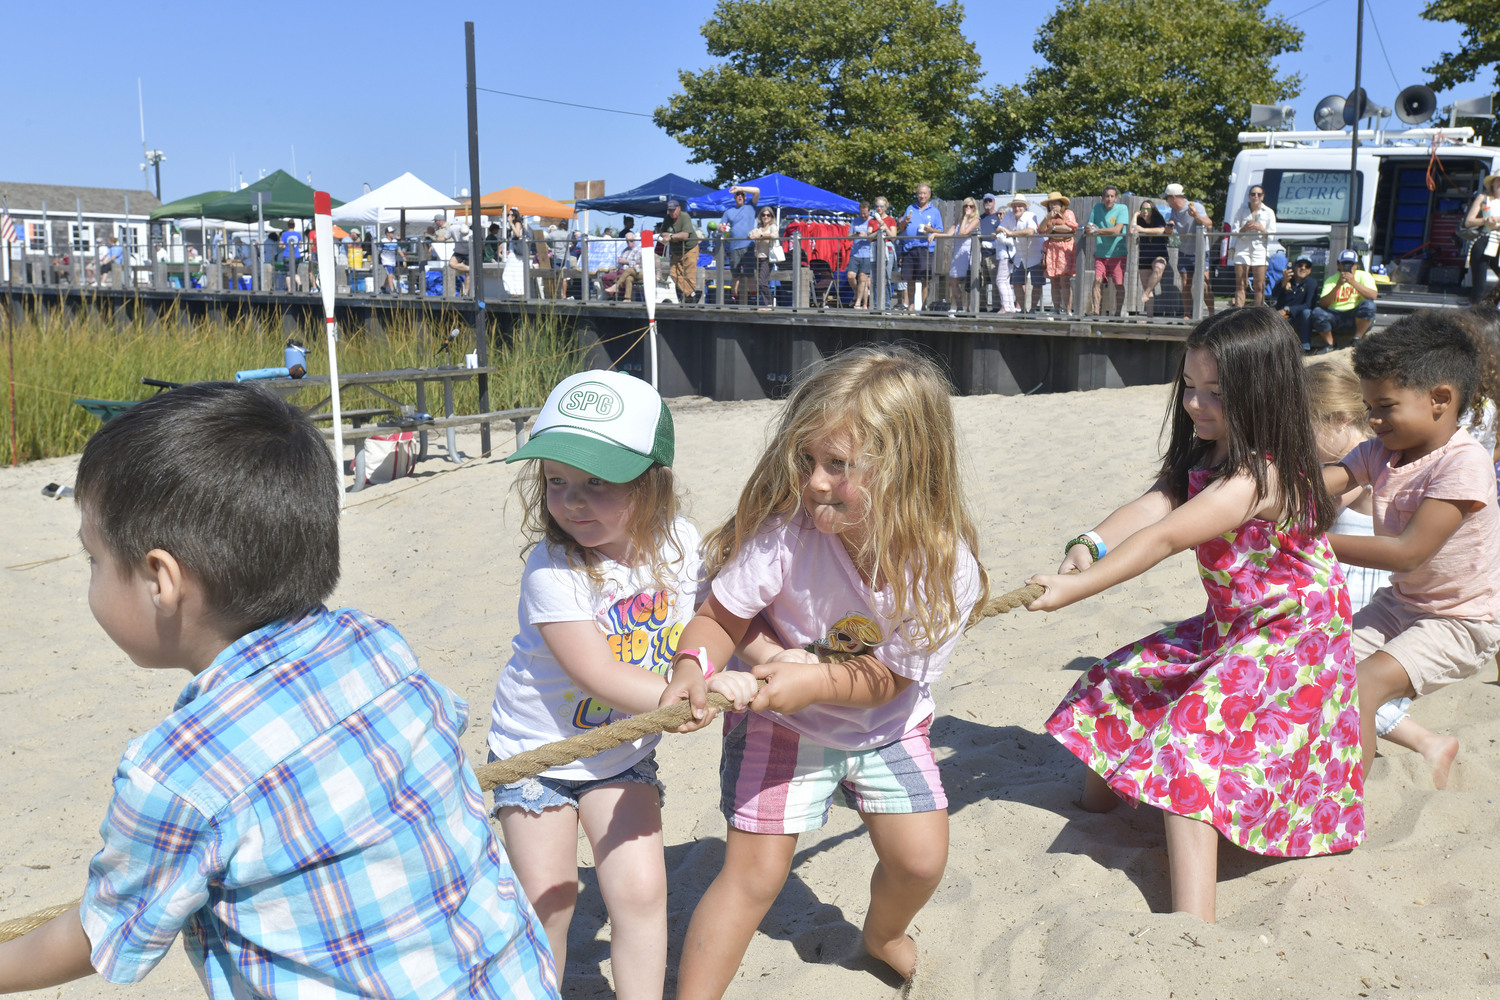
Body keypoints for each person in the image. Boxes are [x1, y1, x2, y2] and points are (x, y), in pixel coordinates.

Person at [0, 383, 558, 998]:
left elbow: (100, 932)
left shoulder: (179, 775)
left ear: (161, 579)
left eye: (94, 559)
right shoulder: (375, 646)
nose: (92, 578)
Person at [661, 345, 986, 996]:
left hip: (884, 726)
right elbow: (720, 617)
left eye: (838, 466)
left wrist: (811, 678)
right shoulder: (789, 535)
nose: (813, 482)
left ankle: (883, 935)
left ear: (907, 470)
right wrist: (692, 667)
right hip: (781, 728)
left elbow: (891, 678)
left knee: (920, 861)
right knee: (752, 877)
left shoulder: (945, 569)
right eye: (809, 460)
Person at [1029, 307, 1363, 923]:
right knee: (1115, 682)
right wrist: (1089, 544)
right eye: (1189, 386)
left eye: (1215, 392)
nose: (1194, 403)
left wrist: (1076, 591)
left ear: (1262, 395)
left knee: (1191, 751)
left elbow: (1166, 538)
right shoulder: (1210, 454)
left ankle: (1192, 924)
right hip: (1235, 625)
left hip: (1296, 637)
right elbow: (1154, 505)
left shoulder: (1258, 476)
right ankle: (1099, 815)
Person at [489, 371, 753, 997]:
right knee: (550, 902)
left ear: (652, 482)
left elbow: (715, 622)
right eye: (557, 482)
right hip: (538, 754)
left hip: (622, 754)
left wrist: (748, 666)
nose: (572, 501)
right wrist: (683, 696)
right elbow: (595, 672)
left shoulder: (681, 545)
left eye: (597, 483)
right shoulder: (552, 568)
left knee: (639, 892)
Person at [1324, 312, 1500, 790]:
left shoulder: (1465, 464)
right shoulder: (1383, 450)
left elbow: (1407, 553)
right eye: (1367, 407)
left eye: (1384, 406)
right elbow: (1326, 483)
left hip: (1460, 620)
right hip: (1400, 605)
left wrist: (1309, 540)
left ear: (1440, 399)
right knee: (1320, 663)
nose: (1373, 420)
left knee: (1362, 686)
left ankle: (1342, 808)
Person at [1305, 358, 1457, 785]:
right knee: (1339, 682)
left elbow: (1312, 519)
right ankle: (1425, 743)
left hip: (1359, 592)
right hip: (1359, 584)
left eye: (1304, 428)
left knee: (1339, 678)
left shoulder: (1361, 465)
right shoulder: (1379, 454)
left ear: (1336, 419)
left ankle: (1423, 743)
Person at [1163, 183, 1215, 317]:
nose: (1166, 201)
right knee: (1186, 284)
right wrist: (1170, 226)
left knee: (1204, 284)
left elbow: (1209, 224)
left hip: (1201, 251)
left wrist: (1196, 216)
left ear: (1173, 197)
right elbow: (1173, 220)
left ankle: (1212, 314)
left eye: (1167, 198)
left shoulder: (1196, 207)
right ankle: (1187, 314)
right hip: (1184, 251)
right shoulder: (1174, 210)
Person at [1311, 249, 1378, 349]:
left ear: (1355, 265)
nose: (1347, 266)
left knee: (1369, 305)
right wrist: (1338, 285)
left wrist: (1353, 282)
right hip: (1336, 317)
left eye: (1350, 263)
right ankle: (1330, 344)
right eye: (1344, 263)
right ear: (1338, 265)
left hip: (1356, 317)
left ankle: (1357, 338)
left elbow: (1373, 296)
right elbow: (1324, 303)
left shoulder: (1364, 276)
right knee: (1317, 312)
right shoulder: (1331, 280)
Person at [896, 182, 943, 310]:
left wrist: (930, 229)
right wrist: (904, 222)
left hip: (925, 249)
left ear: (929, 195)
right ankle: (911, 305)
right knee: (909, 280)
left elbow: (940, 231)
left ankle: (922, 306)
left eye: (924, 193)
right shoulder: (910, 208)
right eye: (919, 193)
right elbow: (901, 229)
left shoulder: (934, 211)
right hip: (909, 248)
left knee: (924, 279)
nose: (921, 196)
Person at [1084, 185, 1129, 316]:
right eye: (1107, 196)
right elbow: (1090, 225)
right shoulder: (1097, 207)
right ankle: (1096, 312)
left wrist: (1096, 230)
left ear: (1116, 198)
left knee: (1118, 284)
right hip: (1100, 254)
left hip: (1118, 254)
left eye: (1112, 196)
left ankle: (1118, 313)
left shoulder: (1122, 208)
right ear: (1103, 198)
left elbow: (1117, 230)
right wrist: (1089, 229)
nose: (1109, 199)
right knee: (1097, 280)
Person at [1230, 185, 1277, 307]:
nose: (1256, 197)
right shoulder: (1241, 211)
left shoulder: (1268, 212)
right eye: (1253, 194)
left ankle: (1257, 315)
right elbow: (1234, 232)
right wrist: (1244, 228)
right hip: (1242, 248)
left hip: (1260, 249)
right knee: (1240, 284)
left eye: (1259, 194)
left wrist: (1261, 228)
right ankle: (1238, 313)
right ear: (1249, 196)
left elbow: (1272, 236)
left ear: (1263, 196)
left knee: (1259, 285)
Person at [999, 193, 1041, 312]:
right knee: (1016, 282)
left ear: (1025, 207)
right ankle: (1023, 310)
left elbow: (1030, 231)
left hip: (1036, 253)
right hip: (1020, 254)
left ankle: (1032, 310)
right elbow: (999, 228)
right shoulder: (1008, 216)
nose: (1017, 208)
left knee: (1037, 284)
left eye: (1020, 206)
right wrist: (1003, 229)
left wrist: (1010, 233)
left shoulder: (1031, 215)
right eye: (1015, 206)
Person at [1037, 191, 1077, 315]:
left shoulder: (1068, 213)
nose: (1053, 206)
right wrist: (1048, 218)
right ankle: (1056, 310)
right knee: (1054, 281)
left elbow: (1071, 228)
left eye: (1055, 203)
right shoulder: (1048, 216)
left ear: (1061, 204)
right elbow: (1041, 230)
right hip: (1052, 248)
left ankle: (1068, 310)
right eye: (1051, 203)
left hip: (1065, 248)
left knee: (1064, 280)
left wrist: (1053, 228)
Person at [1463, 173, 1500, 303]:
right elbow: (1469, 222)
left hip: (1498, 241)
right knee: (1479, 285)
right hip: (1485, 240)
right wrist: (1485, 220)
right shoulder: (1483, 198)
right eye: (1498, 181)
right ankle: (1476, 312)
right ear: (1493, 184)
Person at [721, 184, 761, 304]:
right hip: (734, 247)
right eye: (737, 194)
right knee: (735, 276)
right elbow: (721, 225)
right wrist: (721, 228)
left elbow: (757, 190)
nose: (739, 196)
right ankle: (734, 299)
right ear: (734, 197)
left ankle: (753, 299)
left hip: (748, 247)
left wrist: (740, 188)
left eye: (741, 195)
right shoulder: (729, 212)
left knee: (750, 275)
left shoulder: (750, 206)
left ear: (744, 197)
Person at [1131, 199, 1169, 316]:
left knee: (1158, 268)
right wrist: (1135, 214)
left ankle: (1146, 293)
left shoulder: (1157, 218)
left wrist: (1142, 230)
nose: (1145, 211)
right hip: (1144, 255)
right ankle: (1150, 316)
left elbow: (1162, 230)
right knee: (1147, 285)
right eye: (1143, 209)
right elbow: (1132, 230)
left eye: (1148, 209)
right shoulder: (1139, 219)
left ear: (1152, 210)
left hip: (1159, 254)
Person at [656, 199, 700, 303]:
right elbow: (662, 232)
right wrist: (669, 236)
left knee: (689, 275)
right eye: (670, 210)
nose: (672, 212)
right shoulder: (667, 218)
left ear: (679, 208)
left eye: (674, 210)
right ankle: (692, 294)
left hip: (690, 249)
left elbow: (685, 235)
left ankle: (690, 297)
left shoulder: (685, 217)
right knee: (673, 273)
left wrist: (671, 237)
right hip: (676, 252)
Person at [1274, 254, 1318, 351]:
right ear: (1294, 267)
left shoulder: (1311, 283)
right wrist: (1284, 282)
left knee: (1307, 313)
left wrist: (1288, 310)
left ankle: (1305, 347)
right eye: (1300, 265)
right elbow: (1274, 294)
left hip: (1299, 319)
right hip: (1282, 318)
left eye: (1307, 266)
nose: (1303, 268)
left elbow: (1308, 305)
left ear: (1310, 270)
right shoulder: (1284, 280)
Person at [944, 196, 982, 308]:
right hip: (958, 252)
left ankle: (970, 308)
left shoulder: (976, 220)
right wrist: (934, 233)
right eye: (966, 206)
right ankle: (960, 306)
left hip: (969, 253)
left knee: (970, 282)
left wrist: (966, 217)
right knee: (953, 280)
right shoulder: (959, 220)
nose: (968, 208)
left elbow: (962, 232)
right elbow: (948, 234)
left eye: (971, 206)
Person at [869, 197, 899, 307]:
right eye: (877, 206)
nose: (879, 208)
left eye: (881, 206)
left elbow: (893, 237)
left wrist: (885, 228)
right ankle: (876, 305)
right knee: (876, 279)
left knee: (886, 278)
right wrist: (877, 232)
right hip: (875, 250)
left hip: (888, 251)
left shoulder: (891, 220)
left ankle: (886, 305)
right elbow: (869, 237)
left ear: (886, 207)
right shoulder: (872, 221)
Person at [749, 206, 780, 309]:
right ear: (760, 216)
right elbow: (750, 233)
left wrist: (761, 236)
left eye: (768, 215)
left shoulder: (773, 226)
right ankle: (765, 304)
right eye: (763, 215)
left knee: (763, 282)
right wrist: (751, 235)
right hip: (758, 258)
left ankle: (769, 304)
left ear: (771, 216)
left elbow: (775, 235)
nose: (765, 217)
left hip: (767, 258)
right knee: (760, 282)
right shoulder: (758, 228)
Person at [848, 200, 876, 309]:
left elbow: (876, 237)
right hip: (855, 252)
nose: (863, 215)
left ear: (869, 211)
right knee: (851, 276)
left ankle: (859, 302)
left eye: (865, 213)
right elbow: (848, 236)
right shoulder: (855, 221)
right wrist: (855, 235)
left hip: (867, 253)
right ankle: (856, 293)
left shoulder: (873, 221)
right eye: (861, 213)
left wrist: (867, 236)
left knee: (862, 278)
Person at [600, 230, 642, 301]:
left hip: (629, 271)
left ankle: (619, 296)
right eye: (627, 241)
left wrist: (626, 261)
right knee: (605, 277)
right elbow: (620, 262)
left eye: (631, 241)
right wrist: (620, 262)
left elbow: (639, 264)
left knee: (623, 278)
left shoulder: (638, 251)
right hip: (620, 270)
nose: (629, 243)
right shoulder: (624, 250)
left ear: (634, 240)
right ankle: (612, 295)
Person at [379, 224, 405, 294]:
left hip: (392, 260)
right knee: (390, 274)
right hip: (386, 260)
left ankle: (383, 287)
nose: (393, 234)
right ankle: (392, 290)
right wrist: (374, 259)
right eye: (391, 232)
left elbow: (398, 249)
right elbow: (379, 250)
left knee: (390, 275)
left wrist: (403, 256)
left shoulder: (395, 241)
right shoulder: (383, 241)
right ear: (387, 234)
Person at [279, 222, 303, 293]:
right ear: (294, 226)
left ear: (288, 225)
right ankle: (299, 283)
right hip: (297, 255)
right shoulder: (298, 234)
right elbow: (300, 245)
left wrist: (285, 246)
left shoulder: (285, 234)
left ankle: (289, 289)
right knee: (295, 271)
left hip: (287, 255)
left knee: (288, 273)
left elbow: (280, 245)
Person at [450, 221, 472, 296]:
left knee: (467, 274)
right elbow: (445, 237)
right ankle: (470, 269)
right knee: (451, 264)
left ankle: (465, 292)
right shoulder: (453, 229)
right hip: (459, 252)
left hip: (470, 253)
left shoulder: (471, 234)